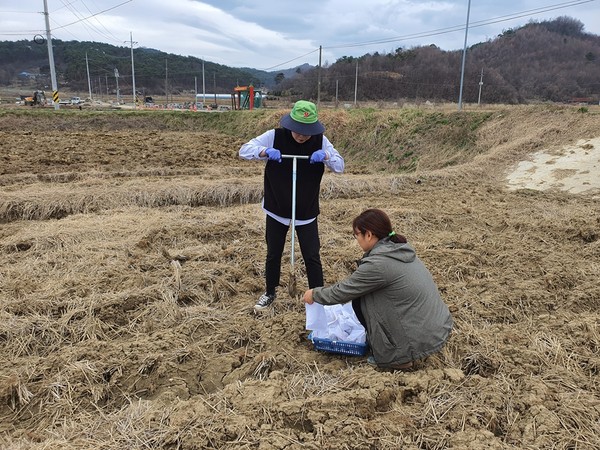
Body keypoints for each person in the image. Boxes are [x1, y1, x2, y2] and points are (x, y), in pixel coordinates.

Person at [303, 208, 452, 370]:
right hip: (436, 327)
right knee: (368, 297)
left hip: (419, 338)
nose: (356, 239)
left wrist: (315, 294)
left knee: (365, 299)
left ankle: (398, 358)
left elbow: (343, 292)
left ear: (369, 235)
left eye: (357, 234)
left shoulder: (378, 264)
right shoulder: (398, 249)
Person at [239, 100, 345, 312]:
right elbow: (244, 149)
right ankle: (270, 292)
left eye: (306, 131)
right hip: (277, 207)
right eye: (297, 130)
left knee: (312, 254)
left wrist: (326, 156)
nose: (302, 135)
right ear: (290, 124)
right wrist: (264, 152)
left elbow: (340, 166)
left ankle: (318, 295)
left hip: (306, 210)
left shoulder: (320, 140)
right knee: (274, 252)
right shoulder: (274, 136)